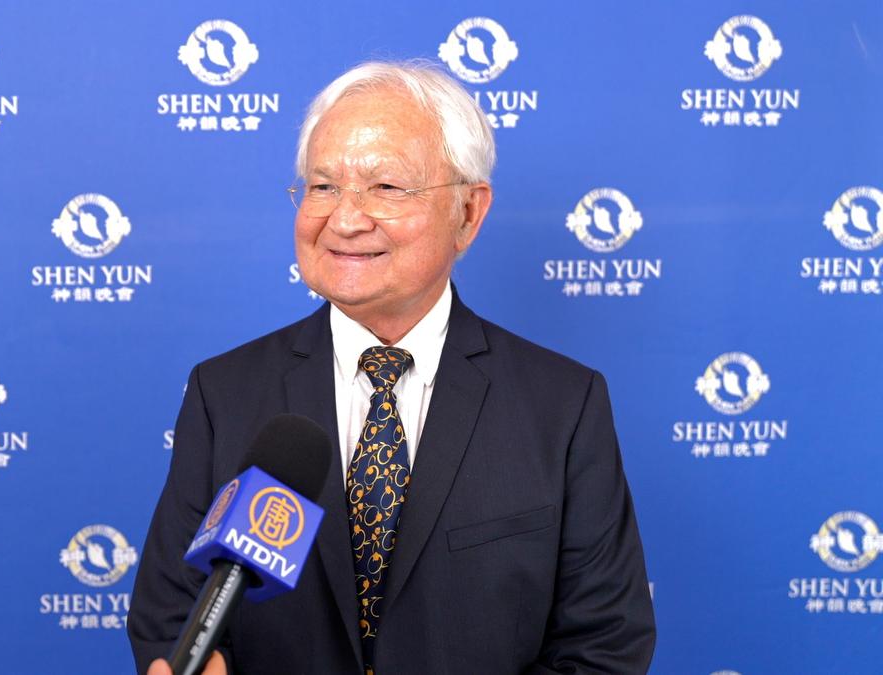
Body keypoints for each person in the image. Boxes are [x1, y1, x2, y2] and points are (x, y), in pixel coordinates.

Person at [129, 60, 655, 675]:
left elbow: (603, 644)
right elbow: (172, 615)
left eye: (385, 187)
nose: (345, 219)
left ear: (468, 213)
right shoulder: (224, 393)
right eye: (323, 187)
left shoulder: (563, 404)